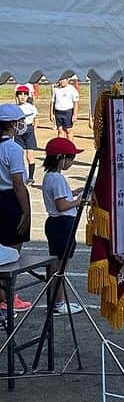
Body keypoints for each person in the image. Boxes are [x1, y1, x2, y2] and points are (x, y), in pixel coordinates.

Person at [40, 137, 85, 315]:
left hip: (56, 224)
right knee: (59, 267)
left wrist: (73, 193)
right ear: (60, 157)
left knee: (57, 265)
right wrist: (79, 201)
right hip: (61, 224)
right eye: (70, 158)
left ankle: (56, 302)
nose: (72, 162)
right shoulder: (57, 179)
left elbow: (59, 198)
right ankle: (58, 303)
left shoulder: (49, 177)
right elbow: (62, 205)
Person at [0, 104, 32, 312]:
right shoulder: (13, 148)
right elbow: (18, 183)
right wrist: (26, 211)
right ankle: (8, 296)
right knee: (12, 252)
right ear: (12, 124)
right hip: (11, 200)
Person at [13, 86, 38, 186]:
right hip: (18, 132)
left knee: (30, 155)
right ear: (17, 96)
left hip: (29, 131)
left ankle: (31, 177)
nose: (22, 96)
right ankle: (19, 176)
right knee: (18, 155)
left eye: (25, 94)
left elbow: (36, 118)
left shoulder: (31, 107)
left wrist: (34, 129)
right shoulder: (15, 108)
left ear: (28, 96)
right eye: (20, 94)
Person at [50, 76, 79, 140]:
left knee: (68, 130)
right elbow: (52, 102)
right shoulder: (56, 89)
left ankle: (70, 147)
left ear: (67, 80)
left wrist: (75, 114)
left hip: (68, 112)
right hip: (58, 112)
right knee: (60, 130)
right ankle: (61, 147)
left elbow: (75, 103)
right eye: (60, 79)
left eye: (64, 79)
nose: (62, 81)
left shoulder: (72, 89)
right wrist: (51, 113)